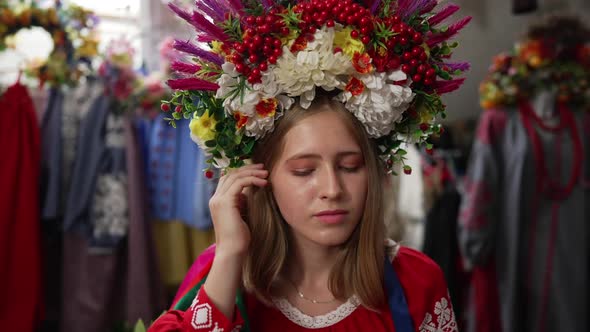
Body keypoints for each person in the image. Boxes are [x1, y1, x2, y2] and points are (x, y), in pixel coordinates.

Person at [148, 0, 471, 330]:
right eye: (304, 170)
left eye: (350, 166)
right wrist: (230, 254)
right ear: (260, 176)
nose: (332, 190)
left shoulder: (417, 281)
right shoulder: (220, 273)